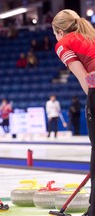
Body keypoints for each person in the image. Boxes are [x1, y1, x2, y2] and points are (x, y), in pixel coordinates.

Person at [52, 10, 95, 215]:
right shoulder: (90, 35)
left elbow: (84, 76)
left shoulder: (63, 43)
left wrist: (91, 97)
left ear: (59, 31)